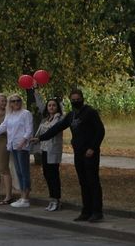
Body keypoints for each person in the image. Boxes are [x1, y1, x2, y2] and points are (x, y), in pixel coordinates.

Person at [37, 88, 105, 222]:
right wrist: (40, 138)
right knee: (83, 182)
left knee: (93, 181)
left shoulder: (90, 112)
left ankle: (97, 211)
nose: (75, 101)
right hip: (78, 152)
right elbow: (57, 127)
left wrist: (93, 147)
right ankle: (86, 211)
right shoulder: (71, 115)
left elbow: (100, 131)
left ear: (82, 98)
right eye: (73, 100)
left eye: (77, 99)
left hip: (90, 153)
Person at [0, 93, 33, 207]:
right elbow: (3, 127)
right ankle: (22, 196)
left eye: (17, 100)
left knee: (24, 172)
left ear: (21, 102)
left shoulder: (25, 113)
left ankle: (25, 198)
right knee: (18, 172)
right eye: (12, 101)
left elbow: (29, 130)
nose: (15, 103)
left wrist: (23, 142)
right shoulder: (10, 114)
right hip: (12, 145)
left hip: (22, 146)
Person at [34, 97, 65, 212]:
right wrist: (36, 91)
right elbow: (40, 105)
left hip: (53, 150)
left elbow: (53, 130)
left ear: (58, 107)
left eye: (54, 105)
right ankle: (52, 199)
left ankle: (57, 200)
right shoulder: (46, 119)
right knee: (47, 174)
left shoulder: (59, 119)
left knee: (54, 175)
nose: (51, 107)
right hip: (45, 149)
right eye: (49, 105)